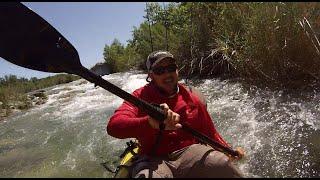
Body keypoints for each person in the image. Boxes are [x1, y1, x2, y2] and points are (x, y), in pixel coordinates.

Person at [107, 50, 245, 178]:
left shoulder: (193, 98)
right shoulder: (138, 97)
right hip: (153, 158)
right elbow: (114, 127)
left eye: (171, 68)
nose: (167, 74)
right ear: (151, 75)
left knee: (222, 163)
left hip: (189, 152)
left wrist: (229, 150)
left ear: (177, 70)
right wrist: (149, 122)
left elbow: (211, 133)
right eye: (159, 70)